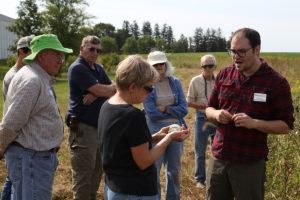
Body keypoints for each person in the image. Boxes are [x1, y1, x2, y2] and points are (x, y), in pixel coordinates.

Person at [205, 28, 294, 200]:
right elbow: (209, 108)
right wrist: (216, 115)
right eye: (232, 51)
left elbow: (285, 126)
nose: (236, 56)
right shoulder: (224, 75)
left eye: (242, 51)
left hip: (249, 163)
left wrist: (254, 123)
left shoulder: (276, 82)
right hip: (219, 159)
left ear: (257, 49)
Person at [98, 55, 190, 200]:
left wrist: (154, 137)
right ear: (133, 87)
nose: (151, 92)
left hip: (116, 187)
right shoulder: (133, 116)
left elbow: (125, 145)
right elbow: (144, 161)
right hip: (134, 191)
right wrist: (169, 138)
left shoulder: (108, 105)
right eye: (148, 88)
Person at [0, 34, 73, 200]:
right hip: (30, 160)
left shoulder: (37, 76)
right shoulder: (32, 80)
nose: (61, 61)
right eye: (57, 55)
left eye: (62, 56)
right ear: (40, 56)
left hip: (34, 159)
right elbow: (11, 122)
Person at [66, 35, 116, 200]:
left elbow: (114, 88)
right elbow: (106, 90)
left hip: (99, 128)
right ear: (82, 49)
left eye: (98, 50)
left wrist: (95, 93)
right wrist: (99, 90)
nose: (95, 53)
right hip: (83, 129)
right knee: (83, 177)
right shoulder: (78, 68)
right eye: (91, 49)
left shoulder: (98, 68)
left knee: (96, 173)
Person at [143, 51, 188, 200]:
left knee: (174, 171)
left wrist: (166, 108)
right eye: (155, 64)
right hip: (155, 130)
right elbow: (152, 113)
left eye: (161, 63)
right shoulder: (146, 85)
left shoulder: (175, 82)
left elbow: (184, 109)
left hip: (176, 130)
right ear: (149, 66)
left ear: (166, 64)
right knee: (154, 170)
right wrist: (174, 112)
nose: (159, 66)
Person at [1, 35, 34, 200]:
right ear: (21, 52)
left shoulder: (22, 73)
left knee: (13, 179)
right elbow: (16, 114)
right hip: (18, 139)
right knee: (16, 183)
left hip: (18, 138)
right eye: (32, 51)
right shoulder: (15, 76)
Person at [186, 54, 217, 188]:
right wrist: (205, 107)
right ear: (201, 68)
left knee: (217, 151)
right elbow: (189, 102)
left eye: (210, 65)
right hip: (202, 118)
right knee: (200, 150)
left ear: (215, 67)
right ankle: (200, 179)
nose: (208, 68)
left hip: (217, 118)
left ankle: (215, 178)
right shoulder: (195, 81)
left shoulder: (220, 80)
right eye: (205, 66)